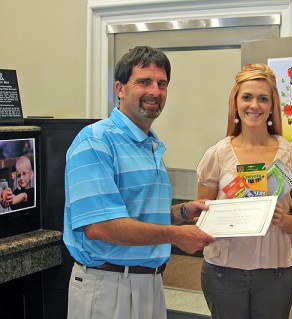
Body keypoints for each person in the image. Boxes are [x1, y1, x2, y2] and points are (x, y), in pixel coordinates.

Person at [63, 46, 215, 319]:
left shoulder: (151, 144)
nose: (155, 91)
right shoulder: (95, 141)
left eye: (162, 83)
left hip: (151, 284)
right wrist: (176, 236)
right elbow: (101, 227)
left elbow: (134, 215)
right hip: (107, 287)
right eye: (144, 81)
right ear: (120, 89)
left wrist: (179, 214)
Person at [197, 63, 292, 319]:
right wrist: (228, 214)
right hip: (223, 273)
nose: (254, 105)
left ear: (272, 106)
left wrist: (285, 219)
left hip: (276, 275)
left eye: (263, 98)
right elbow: (200, 217)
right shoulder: (216, 155)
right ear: (235, 103)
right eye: (246, 97)